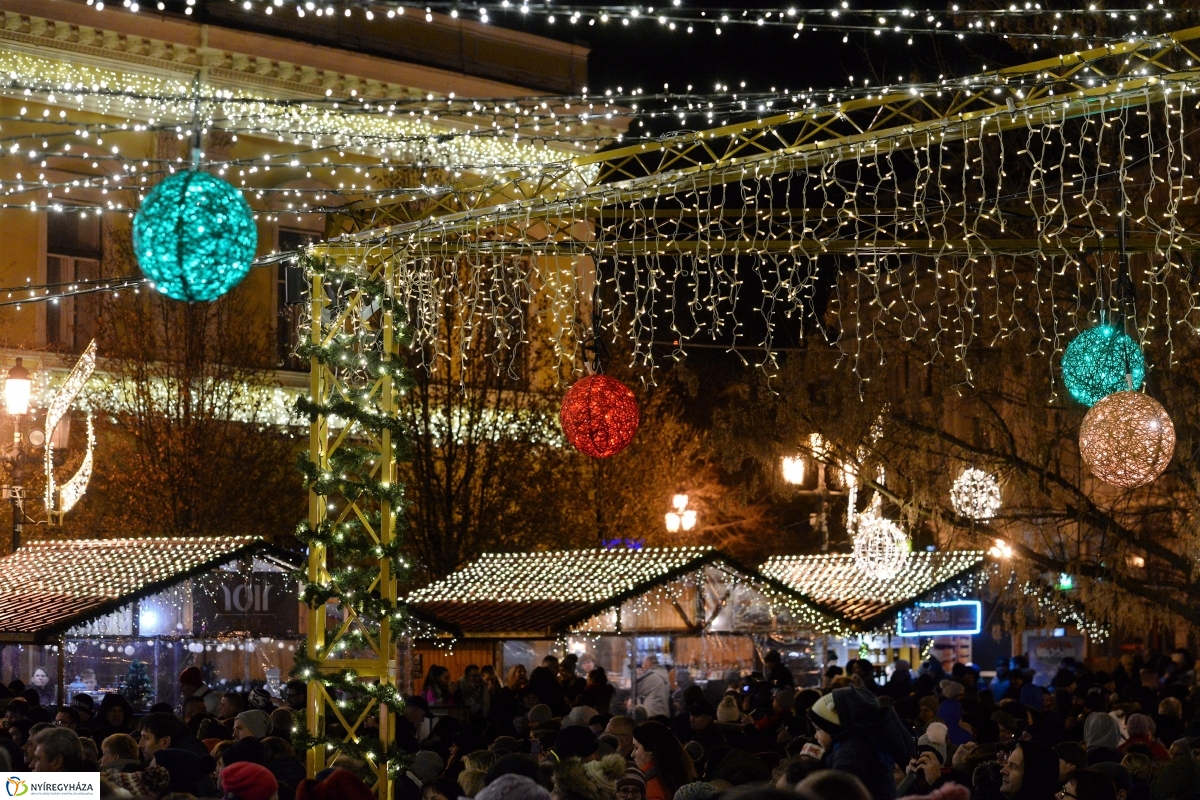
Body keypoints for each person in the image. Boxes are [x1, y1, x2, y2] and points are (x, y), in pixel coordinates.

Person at [807, 687, 915, 800]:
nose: (815, 735)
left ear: (834, 727)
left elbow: (840, 791)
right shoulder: (864, 742)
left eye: (818, 729)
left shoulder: (851, 751)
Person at [631, 721, 696, 800]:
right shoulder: (675, 777)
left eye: (636, 748)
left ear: (650, 751)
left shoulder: (650, 790)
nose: (632, 754)